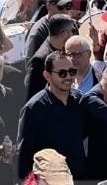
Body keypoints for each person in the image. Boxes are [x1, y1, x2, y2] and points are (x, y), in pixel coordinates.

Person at [18, 50, 87, 179]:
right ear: (47, 76)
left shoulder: (79, 100)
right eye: (62, 73)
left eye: (72, 71)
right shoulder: (34, 109)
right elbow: (23, 156)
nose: (68, 77)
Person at [26, 14, 76, 99]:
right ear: (64, 33)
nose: (74, 34)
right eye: (73, 30)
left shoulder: (61, 48)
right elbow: (31, 94)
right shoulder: (39, 61)